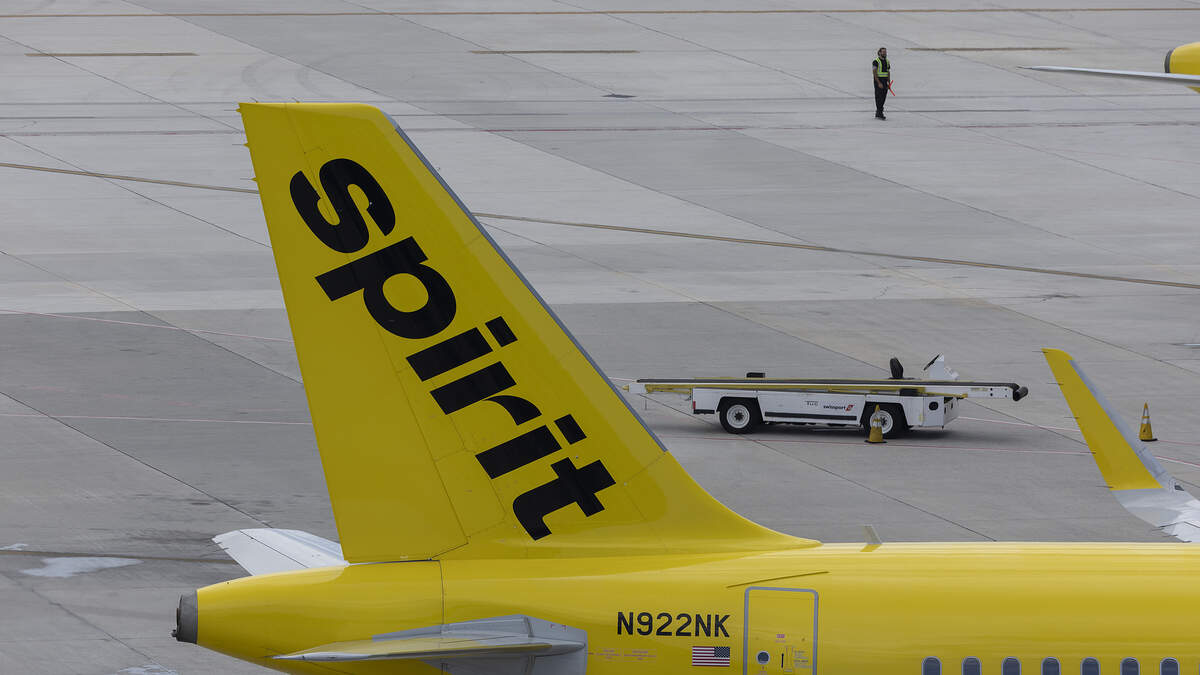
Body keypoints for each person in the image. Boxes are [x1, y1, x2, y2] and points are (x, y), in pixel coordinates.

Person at [872, 47, 890, 120]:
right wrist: (879, 82)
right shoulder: (876, 61)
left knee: (883, 97)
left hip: (885, 81)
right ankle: (879, 112)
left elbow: (888, 72)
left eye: (885, 52)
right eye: (883, 52)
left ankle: (879, 112)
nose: (885, 53)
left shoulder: (887, 61)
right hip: (878, 80)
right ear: (879, 53)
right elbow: (874, 72)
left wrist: (888, 82)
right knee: (879, 97)